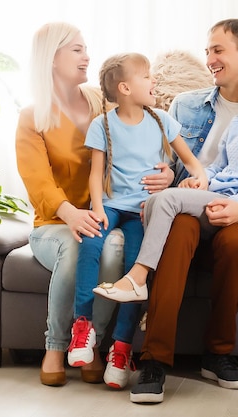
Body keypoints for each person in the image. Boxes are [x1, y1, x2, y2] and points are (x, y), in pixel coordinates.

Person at [125, 19, 238, 403]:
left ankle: (218, 354)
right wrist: (168, 173)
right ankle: (154, 361)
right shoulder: (186, 105)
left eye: (218, 50)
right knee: (182, 228)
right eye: (207, 52)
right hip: (191, 208)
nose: (210, 60)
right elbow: (172, 162)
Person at [14, 22, 175, 387]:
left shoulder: (101, 104)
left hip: (107, 216)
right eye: (76, 49)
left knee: (114, 248)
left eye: (85, 48)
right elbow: (37, 181)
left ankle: (94, 345)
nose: (86, 56)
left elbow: (144, 141)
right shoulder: (32, 116)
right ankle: (55, 346)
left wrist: (167, 174)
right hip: (53, 224)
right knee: (74, 247)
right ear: (51, 58)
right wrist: (72, 214)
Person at [95, 61, 238, 304]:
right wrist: (201, 182)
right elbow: (219, 166)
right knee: (156, 200)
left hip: (235, 205)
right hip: (216, 196)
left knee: (166, 199)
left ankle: (139, 277)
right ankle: (144, 286)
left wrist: (235, 205)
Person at [70, 52, 206, 389]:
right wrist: (97, 208)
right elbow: (96, 173)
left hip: (144, 210)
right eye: (147, 77)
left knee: (136, 273)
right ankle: (82, 327)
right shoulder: (102, 125)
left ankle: (121, 347)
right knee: (90, 245)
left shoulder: (162, 120)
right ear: (126, 87)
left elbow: (191, 161)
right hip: (113, 204)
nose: (153, 81)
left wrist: (199, 177)